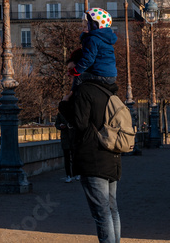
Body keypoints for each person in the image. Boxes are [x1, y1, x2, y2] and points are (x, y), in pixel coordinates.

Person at [59, 78, 123, 243]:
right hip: (112, 155)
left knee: (102, 213)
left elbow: (80, 123)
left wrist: (64, 105)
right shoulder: (109, 92)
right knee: (112, 210)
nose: (69, 73)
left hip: (93, 158)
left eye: (72, 69)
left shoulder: (85, 91)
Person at [74, 8, 118, 89]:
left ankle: (71, 96)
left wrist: (76, 70)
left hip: (101, 74)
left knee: (78, 77)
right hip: (111, 75)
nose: (83, 28)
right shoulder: (104, 38)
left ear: (94, 25)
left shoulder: (92, 39)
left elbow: (88, 59)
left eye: (85, 25)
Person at [56, 110, 79, 182]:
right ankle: (68, 175)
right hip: (65, 138)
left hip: (73, 138)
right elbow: (57, 124)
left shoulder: (75, 112)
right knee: (67, 158)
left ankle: (76, 174)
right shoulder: (60, 114)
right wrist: (60, 126)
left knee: (75, 157)